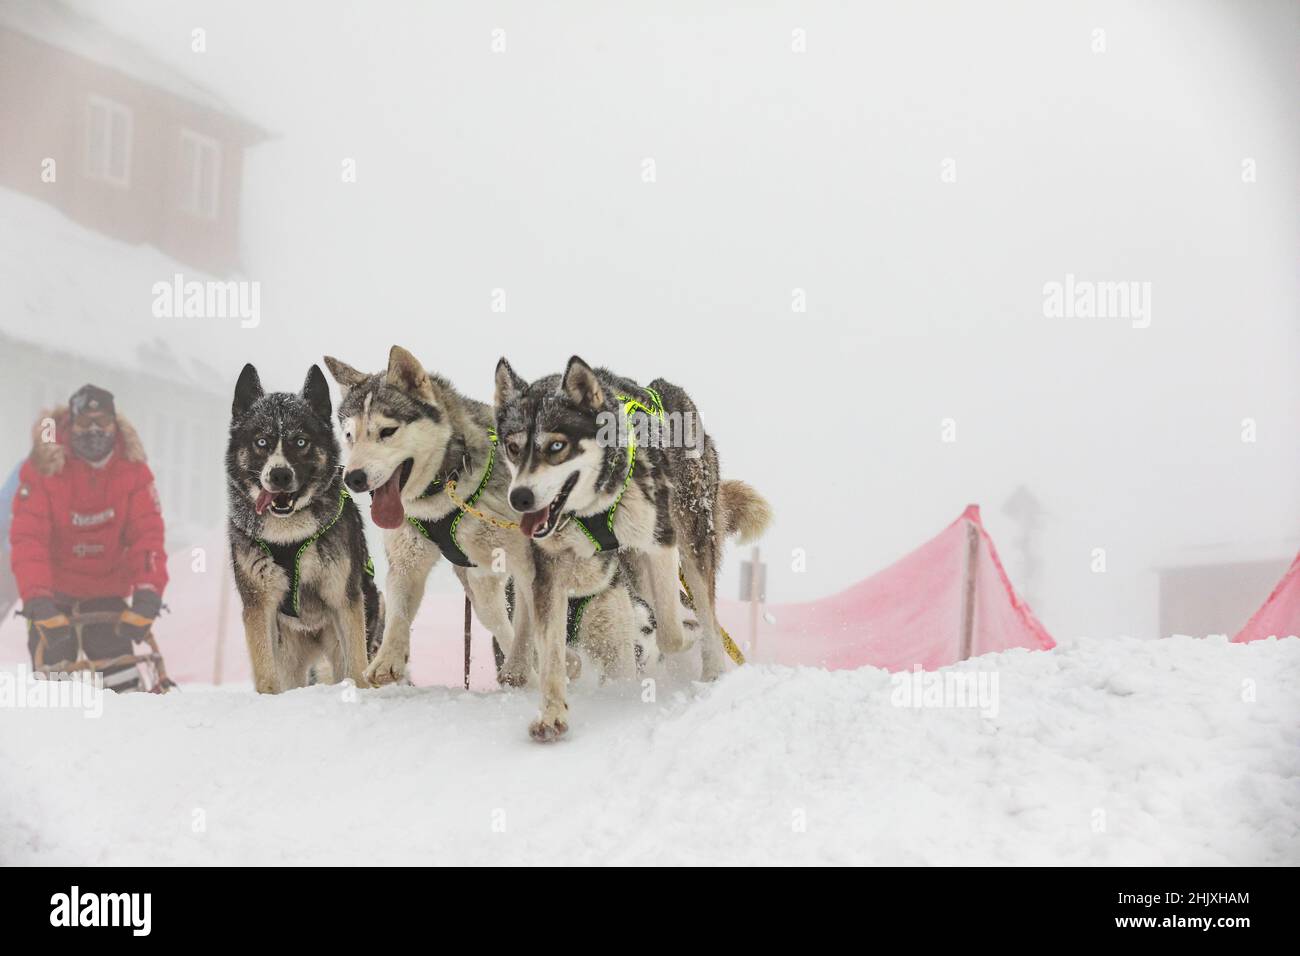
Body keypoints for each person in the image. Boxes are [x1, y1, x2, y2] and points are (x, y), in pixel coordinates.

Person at [9, 385, 169, 691]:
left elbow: (147, 536)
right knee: (55, 683)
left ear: (114, 423)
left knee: (123, 681)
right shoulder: (43, 468)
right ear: (71, 423)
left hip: (107, 594)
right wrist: (37, 600)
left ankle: (131, 729)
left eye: (102, 422)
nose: (94, 430)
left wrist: (148, 594)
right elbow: (29, 541)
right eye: (85, 423)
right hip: (53, 598)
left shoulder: (133, 471)